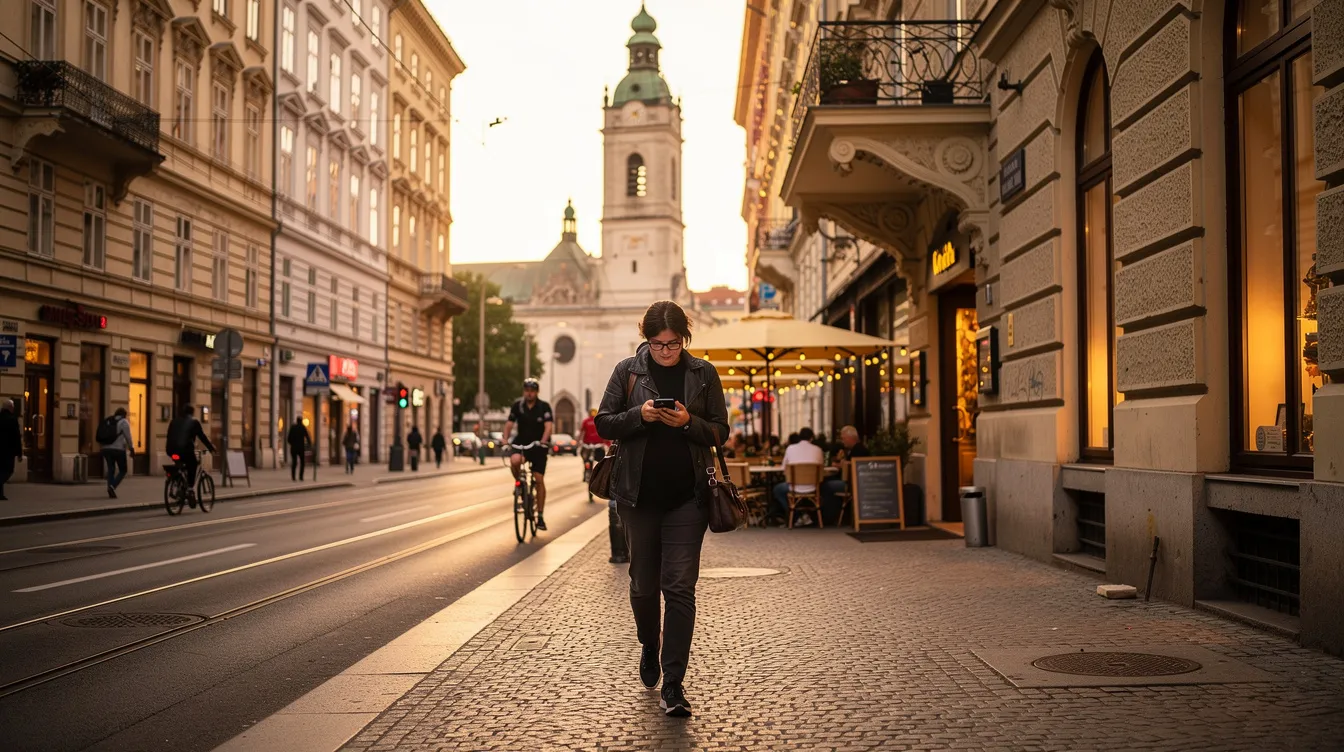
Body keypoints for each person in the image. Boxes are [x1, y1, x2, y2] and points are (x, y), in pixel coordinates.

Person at [596, 300, 730, 719]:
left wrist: (689, 423)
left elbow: (721, 432)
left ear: (684, 339)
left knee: (679, 587)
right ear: (646, 339)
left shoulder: (703, 373)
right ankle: (649, 642)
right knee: (641, 584)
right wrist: (641, 415)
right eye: (658, 345)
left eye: (673, 344)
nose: (666, 352)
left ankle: (674, 682)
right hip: (638, 498)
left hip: (688, 498)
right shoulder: (627, 372)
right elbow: (604, 422)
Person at [504, 378, 553, 530]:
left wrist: (544, 441)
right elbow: (509, 424)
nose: (529, 393)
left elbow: (548, 427)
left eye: (532, 391)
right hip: (522, 443)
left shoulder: (544, 407)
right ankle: (520, 484)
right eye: (526, 390)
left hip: (538, 445)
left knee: (538, 479)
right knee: (515, 461)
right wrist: (505, 439)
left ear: (536, 392)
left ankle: (540, 516)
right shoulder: (518, 406)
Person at [772, 427, 824, 525]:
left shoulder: (790, 448)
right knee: (825, 489)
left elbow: (784, 469)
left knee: (777, 490)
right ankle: (808, 514)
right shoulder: (818, 450)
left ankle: (793, 512)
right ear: (811, 438)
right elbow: (822, 469)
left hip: (794, 487)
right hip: (813, 487)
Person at [821, 425, 870, 525]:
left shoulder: (858, 450)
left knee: (826, 486)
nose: (842, 441)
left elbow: (852, 466)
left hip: (853, 484)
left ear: (849, 438)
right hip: (854, 482)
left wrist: (840, 464)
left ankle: (829, 517)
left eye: (843, 438)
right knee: (828, 484)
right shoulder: (856, 449)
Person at [166, 405, 215, 503]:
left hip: (171, 450)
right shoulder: (194, 422)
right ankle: (189, 488)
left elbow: (169, 435)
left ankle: (177, 482)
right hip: (185, 451)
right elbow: (202, 437)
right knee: (193, 464)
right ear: (192, 413)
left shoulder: (174, 421)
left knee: (180, 464)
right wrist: (211, 448)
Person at [98, 407, 133, 498]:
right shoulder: (124, 422)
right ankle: (112, 486)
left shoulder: (109, 420)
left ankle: (110, 488)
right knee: (123, 470)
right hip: (118, 449)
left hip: (106, 449)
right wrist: (131, 448)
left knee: (111, 469)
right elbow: (128, 437)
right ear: (124, 415)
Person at [0, 399, 22, 500]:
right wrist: (19, 453)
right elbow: (16, 437)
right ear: (10, 408)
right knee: (8, 471)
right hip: (8, 451)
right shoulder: (12, 419)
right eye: (12, 407)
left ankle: (0, 494)